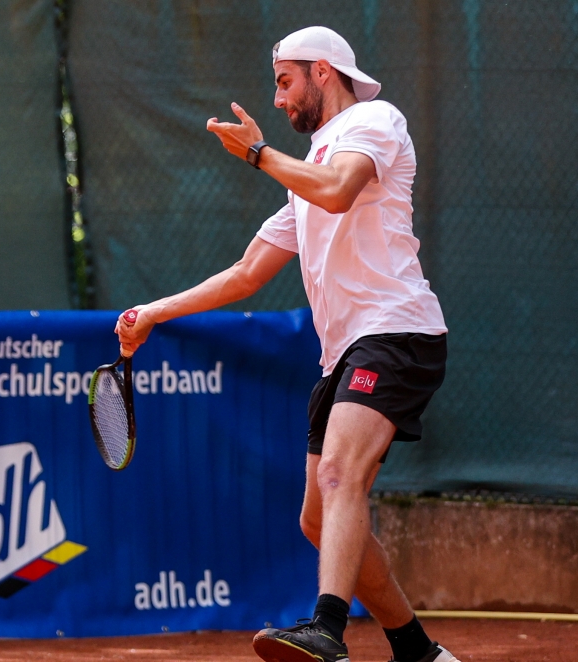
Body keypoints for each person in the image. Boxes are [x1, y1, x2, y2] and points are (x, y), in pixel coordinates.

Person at [113, 26, 457, 662]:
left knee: (337, 473)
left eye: (284, 81)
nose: (276, 98)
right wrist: (155, 313)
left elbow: (337, 189)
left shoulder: (375, 120)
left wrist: (257, 155)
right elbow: (247, 273)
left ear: (323, 72)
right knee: (318, 520)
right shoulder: (308, 171)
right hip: (345, 351)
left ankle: (327, 630)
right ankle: (415, 649)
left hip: (396, 331)